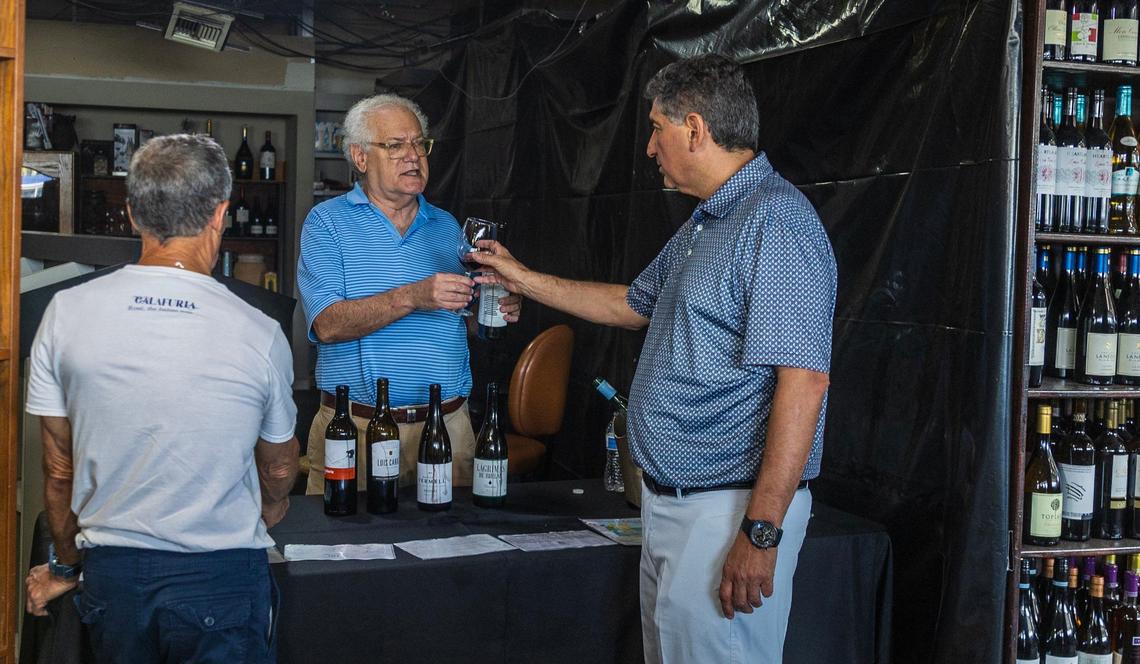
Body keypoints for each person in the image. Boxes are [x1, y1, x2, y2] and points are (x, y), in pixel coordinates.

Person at [471, 54, 836, 662]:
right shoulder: (709, 220)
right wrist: (521, 279)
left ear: (694, 129)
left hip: (727, 511)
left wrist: (760, 531)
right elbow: (632, 303)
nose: (648, 147)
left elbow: (804, 383)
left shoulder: (776, 221)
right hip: (676, 507)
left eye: (656, 128)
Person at [23, 134, 300, 663]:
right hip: (223, 575)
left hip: (115, 576)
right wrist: (270, 504)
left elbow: (57, 470)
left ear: (132, 215)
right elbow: (280, 467)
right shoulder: (259, 330)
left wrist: (65, 566)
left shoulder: (67, 312)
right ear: (221, 215)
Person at [298, 94, 521, 494]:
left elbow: (459, 321)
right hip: (358, 429)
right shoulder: (326, 223)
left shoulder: (448, 226)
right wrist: (413, 296)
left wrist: (492, 311)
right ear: (360, 157)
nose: (413, 155)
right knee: (348, 550)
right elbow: (327, 324)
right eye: (395, 145)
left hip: (448, 427)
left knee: (457, 551)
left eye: (419, 143)